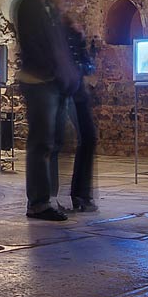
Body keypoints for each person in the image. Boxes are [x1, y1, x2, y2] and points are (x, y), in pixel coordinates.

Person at [11, 0, 81, 221]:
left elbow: (58, 43)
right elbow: (38, 46)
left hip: (54, 82)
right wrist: (57, 71)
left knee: (54, 142)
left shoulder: (46, 4)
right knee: (41, 143)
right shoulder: (29, 5)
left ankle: (48, 198)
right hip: (39, 82)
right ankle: (39, 202)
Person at [52, 11, 99, 212]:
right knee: (56, 142)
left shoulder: (73, 31)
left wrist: (81, 42)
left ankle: (81, 195)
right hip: (60, 90)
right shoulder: (51, 28)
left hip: (77, 90)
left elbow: (87, 65)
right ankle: (50, 197)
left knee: (88, 137)